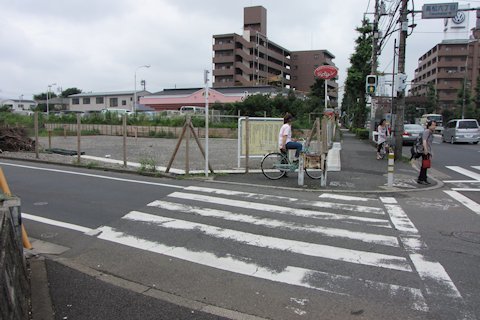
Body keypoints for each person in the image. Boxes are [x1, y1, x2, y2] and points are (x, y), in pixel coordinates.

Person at [417, 120, 436, 185]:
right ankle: (421, 179)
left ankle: (424, 178)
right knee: (424, 165)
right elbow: (424, 140)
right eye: (433, 125)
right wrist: (425, 150)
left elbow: (429, 143)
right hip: (424, 150)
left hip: (428, 150)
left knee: (425, 165)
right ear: (429, 125)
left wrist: (430, 152)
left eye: (435, 125)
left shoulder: (430, 132)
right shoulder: (427, 131)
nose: (434, 126)